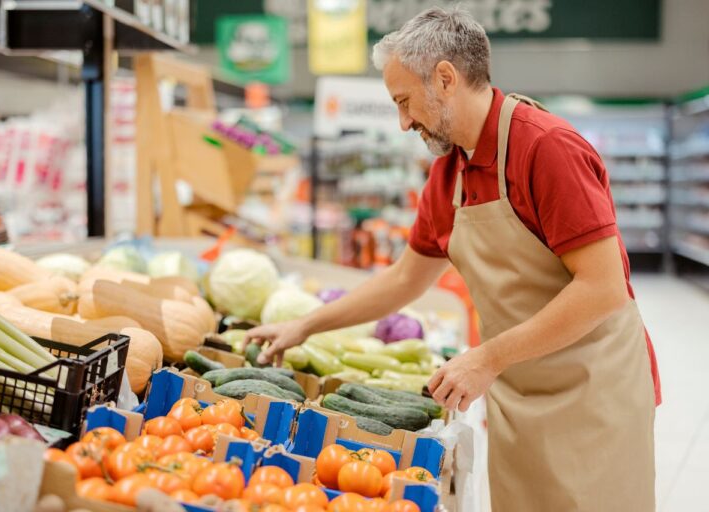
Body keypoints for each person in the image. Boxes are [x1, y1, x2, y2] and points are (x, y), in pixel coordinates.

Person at [245, 7, 660, 511]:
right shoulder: (449, 174)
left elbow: (603, 288)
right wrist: (306, 325)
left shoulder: (546, 148)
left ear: (445, 79)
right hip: (519, 390)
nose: (402, 123)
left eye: (404, 102)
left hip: (593, 392)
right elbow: (404, 279)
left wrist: (489, 358)